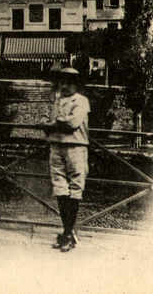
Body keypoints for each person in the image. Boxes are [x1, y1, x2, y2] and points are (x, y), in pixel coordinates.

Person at [44, 67, 90, 252]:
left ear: (76, 84)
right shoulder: (57, 100)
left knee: (75, 188)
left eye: (68, 82)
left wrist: (53, 124)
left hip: (75, 147)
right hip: (56, 146)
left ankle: (67, 233)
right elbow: (52, 119)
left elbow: (72, 123)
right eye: (62, 82)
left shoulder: (81, 101)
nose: (64, 86)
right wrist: (51, 123)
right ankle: (68, 233)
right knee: (60, 188)